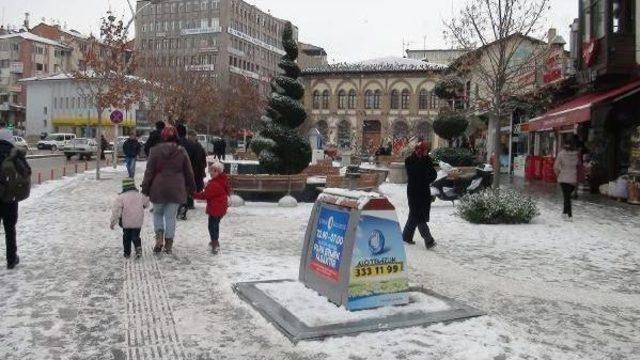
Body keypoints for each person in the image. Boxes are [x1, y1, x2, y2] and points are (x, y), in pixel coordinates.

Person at [141, 126, 196, 254]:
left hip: (158, 187)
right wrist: (192, 188)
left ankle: (159, 238)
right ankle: (169, 244)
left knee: (158, 214)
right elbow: (189, 171)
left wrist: (145, 188)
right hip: (176, 188)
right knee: (171, 217)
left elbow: (149, 172)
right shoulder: (181, 151)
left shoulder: (154, 151)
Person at [0, 125, 28, 269]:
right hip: (10, 199)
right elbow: (26, 172)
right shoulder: (15, 153)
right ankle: (11, 259)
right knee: (10, 229)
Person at [403, 142, 437, 249]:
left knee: (414, 215)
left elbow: (433, 175)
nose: (427, 152)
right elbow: (415, 174)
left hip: (424, 192)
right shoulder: (409, 160)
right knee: (419, 216)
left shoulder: (427, 160)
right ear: (419, 150)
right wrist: (425, 172)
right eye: (425, 150)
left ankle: (406, 236)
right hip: (414, 192)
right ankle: (429, 240)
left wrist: (427, 178)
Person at [193, 161, 230, 254]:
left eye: (214, 171)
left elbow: (205, 195)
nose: (211, 173)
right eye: (211, 171)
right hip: (220, 207)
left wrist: (192, 195)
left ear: (219, 172)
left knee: (212, 226)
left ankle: (215, 243)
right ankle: (214, 241)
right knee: (214, 225)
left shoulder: (215, 184)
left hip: (216, 208)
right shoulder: (221, 181)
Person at [110, 178, 150, 259]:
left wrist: (113, 222)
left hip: (125, 222)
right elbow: (146, 203)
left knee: (126, 237)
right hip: (138, 221)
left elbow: (116, 211)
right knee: (136, 235)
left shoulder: (121, 197)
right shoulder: (140, 195)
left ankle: (127, 253)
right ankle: (138, 247)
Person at [176, 124, 202, 219]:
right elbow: (197, 159)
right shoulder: (192, 144)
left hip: (176, 171)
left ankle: (178, 205)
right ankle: (186, 204)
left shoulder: (175, 144)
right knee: (187, 189)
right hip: (188, 170)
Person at [554, 139, 579, 221]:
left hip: (564, 178)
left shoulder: (561, 154)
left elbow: (556, 167)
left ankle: (569, 215)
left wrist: (558, 175)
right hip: (573, 179)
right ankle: (564, 213)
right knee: (567, 196)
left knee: (567, 197)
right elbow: (578, 165)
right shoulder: (576, 154)